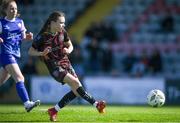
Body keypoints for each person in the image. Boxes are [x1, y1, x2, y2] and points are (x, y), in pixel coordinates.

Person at [28, 11, 106, 122]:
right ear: (52, 22)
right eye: (61, 22)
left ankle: (54, 111)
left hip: (66, 63)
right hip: (54, 67)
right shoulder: (42, 36)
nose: (63, 25)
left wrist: (68, 50)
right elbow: (30, 51)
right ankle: (97, 105)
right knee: (75, 83)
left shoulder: (62, 32)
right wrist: (41, 53)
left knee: (76, 90)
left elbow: (70, 45)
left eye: (64, 23)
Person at [0, 0, 40, 112]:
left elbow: (23, 37)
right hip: (6, 54)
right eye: (11, 8)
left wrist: (28, 37)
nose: (14, 10)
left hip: (15, 55)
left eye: (16, 8)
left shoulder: (20, 22)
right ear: (5, 10)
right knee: (20, 78)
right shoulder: (1, 23)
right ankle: (27, 103)